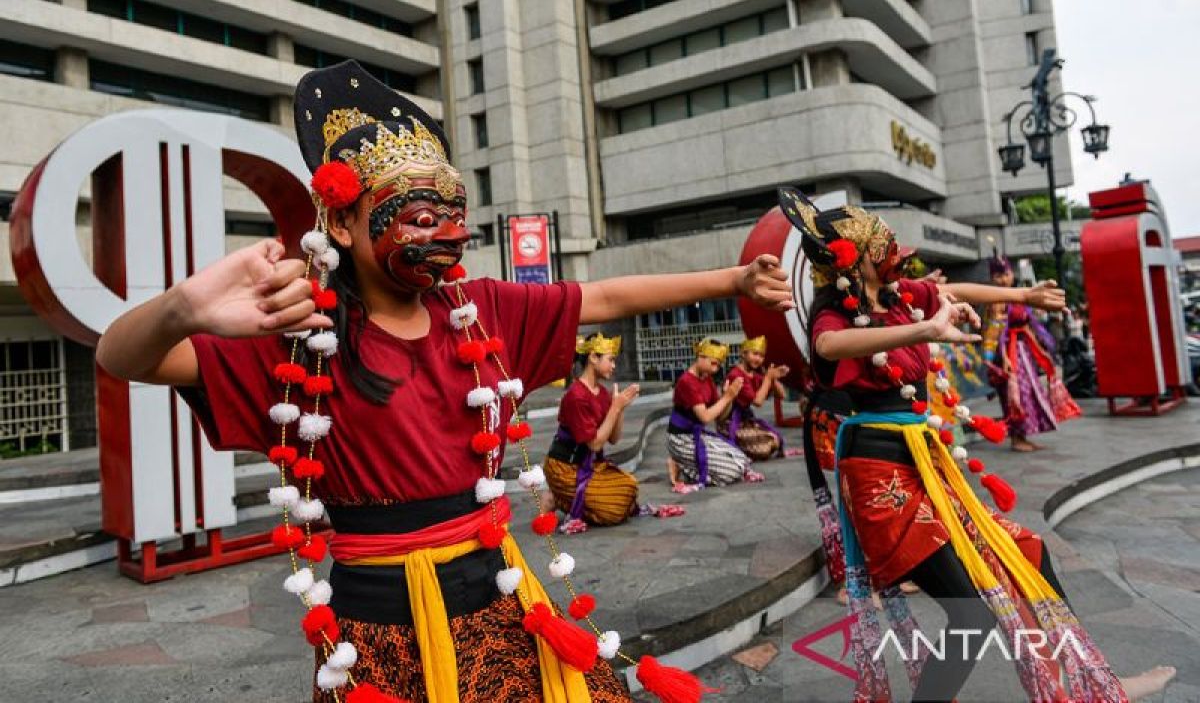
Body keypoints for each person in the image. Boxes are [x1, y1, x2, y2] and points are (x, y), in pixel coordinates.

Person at [94, 60, 795, 703]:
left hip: (497, 596)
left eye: (455, 218)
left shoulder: (481, 312)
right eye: (422, 219)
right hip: (377, 622)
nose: (448, 236)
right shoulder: (302, 342)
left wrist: (732, 279)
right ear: (341, 222)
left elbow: (605, 297)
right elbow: (119, 358)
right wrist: (182, 308)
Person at [780, 187, 1174, 702]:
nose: (892, 250)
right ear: (856, 261)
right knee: (971, 610)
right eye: (881, 243)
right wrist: (927, 329)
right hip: (879, 472)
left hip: (926, 460)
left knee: (1028, 553)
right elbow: (828, 346)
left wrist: (1022, 297)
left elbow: (957, 290)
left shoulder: (899, 297)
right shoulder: (839, 315)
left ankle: (1086, 683)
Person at [543, 333, 643, 533]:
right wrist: (615, 408)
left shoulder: (603, 393)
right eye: (611, 359)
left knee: (629, 486)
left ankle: (563, 498)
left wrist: (619, 408)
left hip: (590, 465)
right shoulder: (576, 396)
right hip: (565, 467)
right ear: (593, 358)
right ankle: (556, 498)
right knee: (612, 511)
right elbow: (595, 444)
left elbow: (613, 439)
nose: (614, 366)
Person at [982, 252, 1082, 452]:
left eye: (1006, 273)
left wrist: (1040, 349)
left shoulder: (1019, 296)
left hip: (1023, 351)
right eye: (998, 275)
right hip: (1008, 354)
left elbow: (1027, 325)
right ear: (992, 278)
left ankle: (1023, 436)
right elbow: (993, 332)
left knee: (1029, 394)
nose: (1003, 279)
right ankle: (1017, 439)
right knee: (1015, 395)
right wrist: (1000, 359)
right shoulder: (995, 300)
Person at [666, 338, 763, 493]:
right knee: (730, 473)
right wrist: (728, 397)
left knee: (742, 460)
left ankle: (686, 465)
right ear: (701, 357)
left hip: (697, 434)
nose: (716, 368)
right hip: (681, 439)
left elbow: (721, 416)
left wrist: (729, 397)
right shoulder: (686, 381)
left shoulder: (707, 379)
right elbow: (705, 417)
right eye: (714, 363)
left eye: (718, 364)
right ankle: (680, 464)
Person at [722, 336, 794, 461]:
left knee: (775, 440)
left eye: (761, 356)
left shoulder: (754, 375)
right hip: (730, 423)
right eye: (755, 354)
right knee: (765, 448)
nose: (758, 359)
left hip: (746, 422)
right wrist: (768, 378)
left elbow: (782, 395)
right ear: (743, 354)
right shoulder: (736, 375)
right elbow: (758, 402)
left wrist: (774, 378)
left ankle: (746, 447)